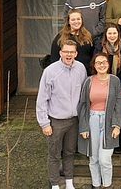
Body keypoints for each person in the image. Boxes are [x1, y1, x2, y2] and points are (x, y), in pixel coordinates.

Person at [37, 39, 87, 189]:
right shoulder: (50, 71)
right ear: (60, 53)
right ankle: (54, 184)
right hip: (56, 121)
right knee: (54, 154)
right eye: (66, 51)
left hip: (74, 120)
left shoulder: (81, 69)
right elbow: (42, 99)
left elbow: (84, 94)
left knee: (70, 152)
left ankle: (69, 181)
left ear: (76, 53)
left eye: (72, 52)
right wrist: (44, 123)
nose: (69, 54)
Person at [77, 52, 121, 189]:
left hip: (109, 122)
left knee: (105, 159)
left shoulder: (115, 80)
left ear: (108, 64)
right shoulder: (89, 81)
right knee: (94, 158)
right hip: (92, 120)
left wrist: (117, 125)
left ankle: (107, 185)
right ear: (94, 65)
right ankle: (96, 185)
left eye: (104, 62)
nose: (101, 65)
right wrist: (83, 127)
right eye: (98, 63)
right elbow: (83, 104)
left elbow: (118, 104)